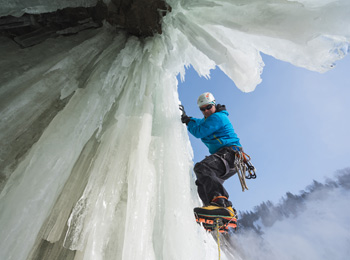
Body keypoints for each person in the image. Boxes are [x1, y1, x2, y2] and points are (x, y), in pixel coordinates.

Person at [180, 92, 241, 218]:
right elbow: (200, 122)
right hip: (229, 159)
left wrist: (187, 122)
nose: (206, 111)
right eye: (203, 109)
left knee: (202, 168)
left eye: (209, 107)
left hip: (231, 153)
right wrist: (188, 119)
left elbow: (199, 131)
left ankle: (220, 203)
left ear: (214, 104)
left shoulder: (218, 117)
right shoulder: (209, 119)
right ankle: (214, 212)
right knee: (202, 183)